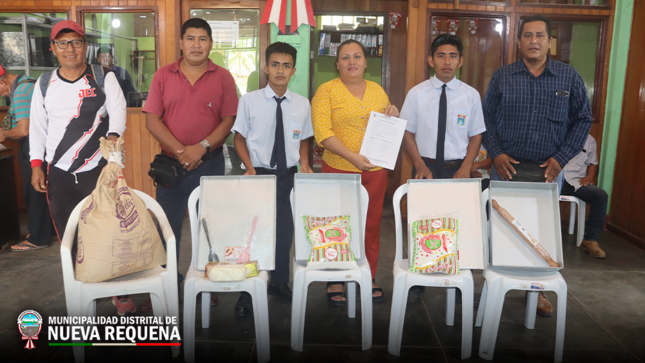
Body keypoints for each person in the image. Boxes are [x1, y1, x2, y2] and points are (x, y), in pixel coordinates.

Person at [481, 15, 592, 317]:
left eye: (540, 35)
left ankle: (539, 292)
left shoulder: (568, 77)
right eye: (528, 35)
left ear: (549, 42)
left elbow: (583, 119)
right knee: (500, 229)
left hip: (548, 172)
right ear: (518, 42)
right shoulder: (503, 76)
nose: (534, 41)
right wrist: (497, 153)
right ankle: (496, 283)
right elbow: (486, 118)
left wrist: (561, 158)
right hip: (506, 168)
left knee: (541, 233)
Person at [28, 21, 128, 312]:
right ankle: (81, 291)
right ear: (53, 49)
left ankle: (117, 291)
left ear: (86, 47)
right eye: (63, 43)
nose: (69, 48)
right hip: (57, 171)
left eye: (75, 42)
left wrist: (112, 137)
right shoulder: (44, 83)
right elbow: (38, 126)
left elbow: (118, 111)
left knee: (109, 229)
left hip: (97, 168)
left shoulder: (102, 77)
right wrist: (36, 165)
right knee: (68, 232)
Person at [143, 18, 239, 310]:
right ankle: (169, 285)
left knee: (209, 227)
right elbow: (151, 119)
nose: (197, 44)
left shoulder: (223, 77)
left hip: (209, 164)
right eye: (191, 38)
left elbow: (228, 121)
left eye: (203, 39)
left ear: (211, 44)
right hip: (171, 166)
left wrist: (202, 147)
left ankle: (208, 286)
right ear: (182, 43)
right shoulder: (163, 76)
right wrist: (182, 150)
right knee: (167, 227)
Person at [311, 39, 399, 306]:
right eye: (346, 57)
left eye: (357, 57)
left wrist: (392, 112)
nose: (352, 62)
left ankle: (369, 275)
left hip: (375, 171)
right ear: (337, 64)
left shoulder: (376, 90)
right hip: (338, 170)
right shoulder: (325, 91)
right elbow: (323, 134)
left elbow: (385, 123)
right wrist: (351, 157)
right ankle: (335, 277)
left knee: (371, 225)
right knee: (336, 226)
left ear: (365, 62)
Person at [400, 34, 486, 303]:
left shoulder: (470, 95)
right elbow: (407, 133)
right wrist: (419, 164)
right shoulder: (416, 93)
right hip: (425, 168)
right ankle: (419, 280)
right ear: (431, 60)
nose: (446, 62)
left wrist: (466, 167)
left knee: (459, 224)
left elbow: (476, 135)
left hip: (457, 170)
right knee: (422, 222)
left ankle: (459, 279)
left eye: (452, 56)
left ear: (460, 61)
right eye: (440, 56)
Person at [231, 42, 313, 316]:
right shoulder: (249, 100)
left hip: (288, 177)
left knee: (284, 232)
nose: (280, 70)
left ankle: (279, 283)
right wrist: (250, 166)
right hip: (259, 174)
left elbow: (303, 139)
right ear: (266, 68)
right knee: (253, 233)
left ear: (293, 70)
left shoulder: (302, 104)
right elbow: (239, 137)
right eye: (275, 64)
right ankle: (247, 291)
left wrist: (304, 163)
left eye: (286, 65)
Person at [0, 65, 55, 251]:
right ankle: (49, 230)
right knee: (46, 189)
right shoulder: (30, 83)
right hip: (49, 144)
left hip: (33, 145)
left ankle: (38, 238)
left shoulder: (21, 93)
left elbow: (24, 129)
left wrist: (5, 134)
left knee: (35, 191)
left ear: (2, 81)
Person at [561, 134, 608, 258]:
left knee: (600, 195)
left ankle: (590, 240)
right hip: (551, 179)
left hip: (576, 182)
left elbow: (593, 163)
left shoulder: (589, 139)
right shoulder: (553, 131)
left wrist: (589, 177)